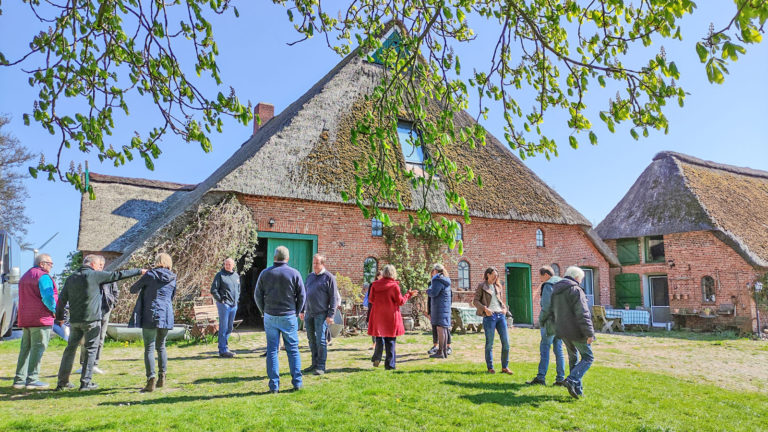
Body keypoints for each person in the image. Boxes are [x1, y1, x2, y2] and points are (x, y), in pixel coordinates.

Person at [55, 255, 144, 391]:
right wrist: (139, 271)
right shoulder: (94, 275)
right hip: (92, 320)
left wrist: (59, 318)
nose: (99, 268)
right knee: (91, 349)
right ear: (93, 264)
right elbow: (117, 275)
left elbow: (61, 301)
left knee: (70, 350)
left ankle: (62, 382)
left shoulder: (71, 278)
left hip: (75, 321)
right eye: (98, 266)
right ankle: (85, 383)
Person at [254, 246, 305, 393]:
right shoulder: (294, 273)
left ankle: (274, 386)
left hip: (270, 316)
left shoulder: (265, 273)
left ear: (274, 258)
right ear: (287, 259)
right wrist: (296, 311)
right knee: (293, 350)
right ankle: (297, 383)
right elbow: (302, 295)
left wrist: (263, 310)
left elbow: (257, 295)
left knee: (272, 350)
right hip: (288, 315)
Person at [129, 253, 177, 393]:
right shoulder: (173, 277)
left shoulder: (150, 275)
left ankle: (151, 379)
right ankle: (163, 376)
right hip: (166, 314)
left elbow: (133, 289)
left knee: (149, 347)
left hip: (151, 313)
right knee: (161, 346)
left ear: (157, 262)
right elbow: (172, 296)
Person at [12, 254, 58, 390]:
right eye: (50, 263)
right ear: (42, 264)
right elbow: (48, 297)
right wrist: (55, 310)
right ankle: (32, 379)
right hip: (40, 318)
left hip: (26, 318)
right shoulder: (42, 276)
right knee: (38, 348)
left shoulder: (25, 276)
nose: (51, 266)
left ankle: (19, 379)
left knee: (25, 349)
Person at [552, 266, 595, 399]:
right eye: (581, 279)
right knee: (588, 357)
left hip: (562, 329)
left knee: (573, 358)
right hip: (576, 330)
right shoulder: (576, 290)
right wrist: (590, 333)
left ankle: (577, 390)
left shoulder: (556, 290)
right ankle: (571, 380)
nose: (581, 282)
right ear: (576, 278)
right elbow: (583, 313)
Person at [367, 265, 418, 370]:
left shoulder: (374, 285)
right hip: (390, 315)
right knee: (390, 340)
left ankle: (377, 357)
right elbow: (400, 301)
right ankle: (390, 365)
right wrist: (408, 294)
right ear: (393, 273)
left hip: (378, 315)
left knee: (379, 337)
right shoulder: (394, 286)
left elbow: (371, 299)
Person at [76, 256, 117, 375]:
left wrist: (112, 304)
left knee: (100, 338)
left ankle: (94, 364)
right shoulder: (87, 277)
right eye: (98, 265)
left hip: (104, 310)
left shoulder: (108, 276)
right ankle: (84, 364)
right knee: (86, 339)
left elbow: (115, 292)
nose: (99, 267)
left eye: (100, 265)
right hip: (91, 311)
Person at [300, 254, 339, 375]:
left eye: (317, 263)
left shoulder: (329, 278)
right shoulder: (310, 277)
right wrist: (302, 310)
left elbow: (334, 298)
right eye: (314, 263)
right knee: (311, 339)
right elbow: (305, 295)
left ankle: (321, 366)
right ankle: (314, 364)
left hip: (322, 314)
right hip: (309, 313)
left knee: (321, 340)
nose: (315, 265)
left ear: (323, 264)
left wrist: (331, 315)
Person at [527, 265, 566, 386]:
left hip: (550, 322)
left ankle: (541, 377)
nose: (541, 280)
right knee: (558, 349)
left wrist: (541, 320)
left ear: (546, 275)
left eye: (541, 277)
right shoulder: (563, 284)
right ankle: (560, 378)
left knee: (545, 348)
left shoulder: (548, 285)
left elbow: (546, 305)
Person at [473, 267, 513, 375]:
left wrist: (504, 308)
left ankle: (505, 367)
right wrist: (485, 309)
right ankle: (490, 367)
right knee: (489, 343)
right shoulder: (482, 286)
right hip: (489, 317)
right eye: (494, 275)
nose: (496, 277)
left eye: (497, 276)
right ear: (488, 275)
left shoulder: (498, 286)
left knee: (506, 343)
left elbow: (499, 301)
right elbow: (475, 301)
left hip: (500, 316)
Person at [210, 257, 240, 358]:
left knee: (230, 327)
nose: (227, 266)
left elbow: (238, 289)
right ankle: (222, 350)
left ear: (233, 265)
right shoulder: (220, 275)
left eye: (229, 264)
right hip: (224, 305)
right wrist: (221, 300)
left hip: (233, 305)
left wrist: (237, 300)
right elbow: (213, 289)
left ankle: (225, 347)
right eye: (226, 264)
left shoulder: (236, 276)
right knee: (224, 327)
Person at [426, 264, 451, 359]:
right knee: (444, 329)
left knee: (440, 329)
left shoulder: (437, 280)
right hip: (445, 308)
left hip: (438, 308)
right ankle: (444, 351)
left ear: (436, 271)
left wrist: (428, 291)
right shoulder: (446, 279)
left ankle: (440, 352)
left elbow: (434, 293)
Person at [364, 270, 383, 350]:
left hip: (382, 308)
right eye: (379, 275)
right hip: (373, 307)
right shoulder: (373, 285)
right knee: (374, 325)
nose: (380, 277)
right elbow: (370, 297)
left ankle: (382, 343)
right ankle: (374, 343)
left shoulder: (385, 284)